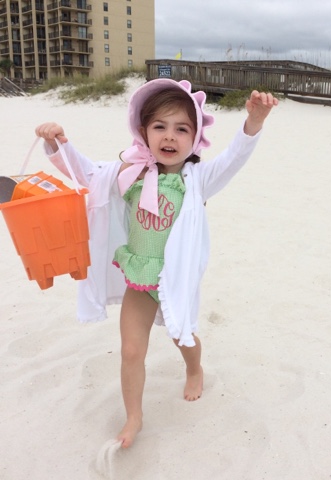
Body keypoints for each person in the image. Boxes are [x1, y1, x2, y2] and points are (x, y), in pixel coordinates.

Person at [35, 78, 278, 448]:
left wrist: (254, 122)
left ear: (195, 137)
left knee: (183, 337)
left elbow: (233, 159)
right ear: (143, 131)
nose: (169, 136)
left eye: (181, 129)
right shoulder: (130, 173)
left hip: (174, 278)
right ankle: (134, 416)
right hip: (139, 274)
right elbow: (87, 174)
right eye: (160, 126)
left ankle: (194, 368)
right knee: (131, 350)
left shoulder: (197, 180)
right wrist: (57, 145)